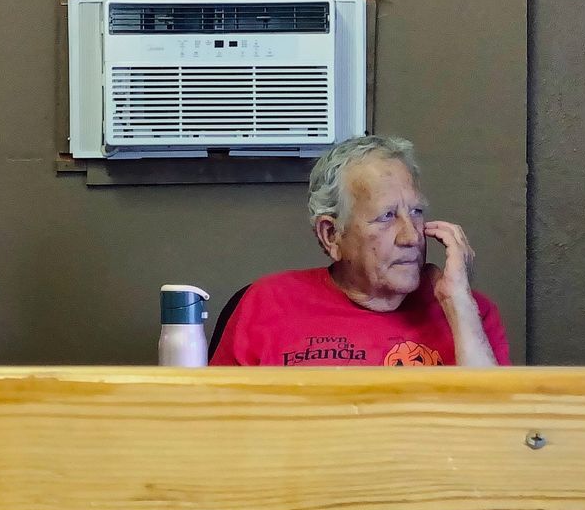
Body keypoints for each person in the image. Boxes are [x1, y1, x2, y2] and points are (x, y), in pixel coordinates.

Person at [211, 134, 509, 367]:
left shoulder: (472, 313)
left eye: (416, 211)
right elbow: (213, 428)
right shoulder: (267, 303)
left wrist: (458, 303)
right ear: (331, 235)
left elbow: (496, 432)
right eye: (387, 216)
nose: (411, 236)